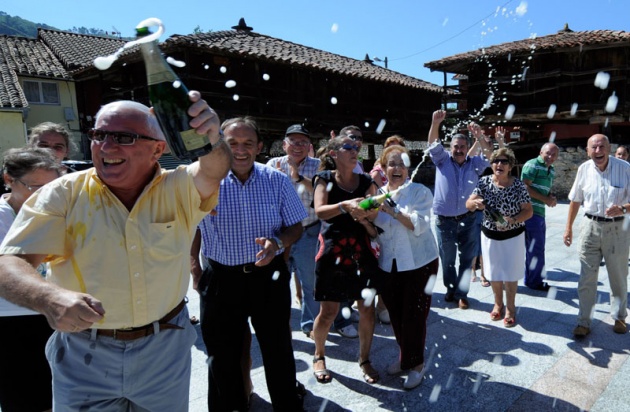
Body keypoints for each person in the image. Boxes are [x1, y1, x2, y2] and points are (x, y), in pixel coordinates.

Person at [0, 91, 230, 410]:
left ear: (158, 149)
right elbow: (10, 264)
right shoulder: (61, 195)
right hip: (84, 354)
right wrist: (48, 297)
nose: (107, 146)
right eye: (99, 135)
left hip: (164, 349)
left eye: (123, 136)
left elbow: (214, 170)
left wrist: (211, 137)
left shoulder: (178, 187)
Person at [197, 117, 307, 412]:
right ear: (220, 144)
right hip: (221, 279)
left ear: (260, 146)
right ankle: (230, 407)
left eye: (247, 143)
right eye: (232, 143)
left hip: (267, 279)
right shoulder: (204, 180)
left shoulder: (277, 180)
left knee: (278, 349)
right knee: (221, 355)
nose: (240, 150)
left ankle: (287, 405)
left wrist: (278, 243)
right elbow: (192, 228)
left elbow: (296, 227)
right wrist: (195, 270)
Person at [267, 124, 355, 338]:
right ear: (284, 144)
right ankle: (279, 325)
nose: (298, 146)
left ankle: (309, 326)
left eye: (303, 142)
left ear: (310, 146)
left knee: (311, 282)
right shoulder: (271, 165)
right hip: (279, 233)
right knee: (277, 284)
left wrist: (296, 177)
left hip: (308, 230)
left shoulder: (318, 166)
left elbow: (325, 194)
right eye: (294, 142)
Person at [311, 135, 382, 384]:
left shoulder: (365, 180)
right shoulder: (325, 179)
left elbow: (374, 213)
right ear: (333, 154)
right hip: (333, 251)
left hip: (362, 252)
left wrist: (368, 212)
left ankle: (364, 359)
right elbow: (320, 211)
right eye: (348, 148)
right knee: (328, 312)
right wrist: (345, 206)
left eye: (357, 148)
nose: (354, 152)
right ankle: (319, 354)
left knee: (366, 309)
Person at [0, 147, 63, 412]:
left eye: (52, 187)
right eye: (34, 187)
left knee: (58, 399)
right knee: (23, 400)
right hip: (10, 324)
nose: (44, 196)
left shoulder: (58, 211)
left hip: (54, 315)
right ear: (8, 180)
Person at [373, 145, 439, 389]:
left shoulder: (419, 192)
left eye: (401, 163)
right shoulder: (377, 193)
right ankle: (405, 358)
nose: (396, 168)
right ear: (383, 168)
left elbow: (419, 225)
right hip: (388, 264)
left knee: (415, 315)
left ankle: (417, 364)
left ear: (408, 167)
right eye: (391, 164)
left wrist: (392, 211)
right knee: (396, 314)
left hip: (419, 263)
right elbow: (375, 232)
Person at [563, 134, 630, 337]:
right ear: (587, 150)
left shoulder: (625, 168)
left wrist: (623, 208)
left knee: (618, 276)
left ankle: (619, 317)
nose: (598, 151)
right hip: (589, 226)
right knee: (586, 277)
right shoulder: (584, 169)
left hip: (617, 229)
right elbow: (575, 200)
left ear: (609, 148)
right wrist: (568, 228)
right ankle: (584, 321)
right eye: (594, 147)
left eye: (602, 146)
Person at [427, 110, 493, 309]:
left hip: (469, 218)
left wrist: (479, 136)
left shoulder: (474, 164)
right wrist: (435, 123)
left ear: (467, 148)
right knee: (447, 260)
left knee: (466, 259)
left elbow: (490, 155)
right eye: (456, 146)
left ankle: (462, 293)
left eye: (462, 147)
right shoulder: (442, 160)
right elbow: (432, 144)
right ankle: (450, 289)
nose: (459, 150)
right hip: (444, 220)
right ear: (451, 147)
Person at [467, 148, 533, 328]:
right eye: (496, 161)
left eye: (504, 162)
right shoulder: (484, 182)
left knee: (511, 272)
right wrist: (475, 203)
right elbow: (469, 203)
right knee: (494, 272)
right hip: (490, 235)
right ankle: (498, 304)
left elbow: (528, 211)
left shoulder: (518, 185)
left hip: (513, 235)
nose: (499, 165)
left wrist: (513, 220)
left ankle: (511, 308)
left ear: (510, 166)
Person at [521, 142, 559, 291]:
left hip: (539, 213)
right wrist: (546, 199)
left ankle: (531, 279)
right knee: (536, 248)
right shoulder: (532, 165)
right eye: (548, 153)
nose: (550, 156)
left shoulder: (551, 169)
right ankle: (534, 281)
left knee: (536, 248)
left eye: (554, 154)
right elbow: (524, 187)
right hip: (530, 213)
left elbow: (544, 189)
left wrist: (551, 196)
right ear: (541, 152)